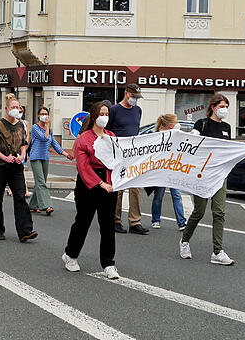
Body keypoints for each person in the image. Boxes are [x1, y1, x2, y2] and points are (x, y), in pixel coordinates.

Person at [179, 93, 245, 266]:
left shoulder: (227, 127)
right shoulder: (202, 124)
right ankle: (184, 241)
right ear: (213, 107)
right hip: (202, 175)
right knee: (199, 212)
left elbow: (228, 149)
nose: (224, 110)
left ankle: (217, 251)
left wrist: (244, 149)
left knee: (219, 213)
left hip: (220, 175)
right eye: (221, 107)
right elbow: (192, 143)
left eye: (226, 107)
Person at [63, 101, 119, 279]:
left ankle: (108, 264)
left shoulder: (111, 136)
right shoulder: (83, 139)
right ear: (94, 117)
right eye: (102, 114)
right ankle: (70, 255)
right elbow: (83, 167)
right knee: (83, 222)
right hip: (88, 185)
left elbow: (118, 160)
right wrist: (100, 183)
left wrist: (115, 181)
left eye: (107, 114)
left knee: (108, 226)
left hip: (109, 183)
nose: (105, 117)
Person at [0, 94, 38, 243]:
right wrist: (5, 157)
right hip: (0, 166)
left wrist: (22, 155)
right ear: (6, 108)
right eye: (13, 107)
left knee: (20, 197)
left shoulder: (21, 125)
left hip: (16, 167)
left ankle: (25, 231)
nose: (16, 109)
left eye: (17, 107)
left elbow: (23, 144)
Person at [106, 84, 148, 235]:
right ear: (126, 94)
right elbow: (107, 131)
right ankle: (115, 220)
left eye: (137, 97)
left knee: (135, 187)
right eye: (133, 96)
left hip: (133, 154)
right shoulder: (114, 110)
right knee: (118, 188)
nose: (135, 100)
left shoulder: (138, 110)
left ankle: (135, 222)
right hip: (118, 154)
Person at [29, 106, 73, 215]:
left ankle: (33, 205)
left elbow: (54, 143)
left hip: (45, 157)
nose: (44, 116)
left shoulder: (50, 131)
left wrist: (66, 154)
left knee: (41, 182)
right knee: (41, 182)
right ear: (38, 116)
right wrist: (47, 125)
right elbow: (44, 138)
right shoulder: (35, 128)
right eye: (42, 114)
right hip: (36, 157)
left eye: (46, 114)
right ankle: (47, 205)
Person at [150, 114, 188, 231]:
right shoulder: (156, 135)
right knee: (159, 196)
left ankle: (181, 222)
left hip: (173, 169)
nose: (178, 124)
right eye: (176, 122)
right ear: (170, 125)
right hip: (161, 170)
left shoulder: (177, 134)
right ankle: (156, 220)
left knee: (177, 196)